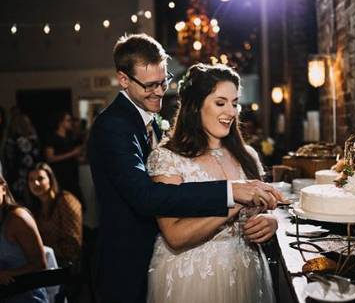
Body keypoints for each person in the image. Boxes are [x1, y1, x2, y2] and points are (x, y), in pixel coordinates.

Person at [87, 33, 282, 303]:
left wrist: (270, 221)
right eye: (150, 85)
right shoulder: (113, 126)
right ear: (123, 79)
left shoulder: (152, 120)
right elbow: (146, 198)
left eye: (163, 81)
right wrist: (231, 195)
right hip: (131, 260)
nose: (160, 91)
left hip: (242, 269)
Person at [146, 63, 277, 303]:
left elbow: (263, 210)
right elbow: (174, 236)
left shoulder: (247, 155)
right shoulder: (168, 159)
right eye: (220, 102)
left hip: (246, 271)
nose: (232, 111)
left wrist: (270, 223)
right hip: (194, 278)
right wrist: (235, 202)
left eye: (235, 103)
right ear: (195, 107)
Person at [0, 174, 48, 303]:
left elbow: (40, 264)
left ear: (3, 189)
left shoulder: (17, 219)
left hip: (27, 296)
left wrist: (8, 273)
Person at [26, 162, 82, 266]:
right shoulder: (35, 209)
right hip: (46, 261)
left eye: (40, 178)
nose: (36, 183)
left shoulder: (65, 200)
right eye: (31, 180)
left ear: (50, 180)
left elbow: (72, 244)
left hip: (67, 264)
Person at [44, 111, 84, 208]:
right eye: (68, 120)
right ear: (60, 122)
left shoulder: (69, 137)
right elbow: (49, 158)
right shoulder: (52, 138)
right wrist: (72, 153)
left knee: (77, 203)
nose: (71, 123)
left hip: (72, 174)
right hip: (60, 175)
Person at [3, 112, 42, 204]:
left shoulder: (10, 140)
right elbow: (35, 158)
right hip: (29, 175)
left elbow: (8, 158)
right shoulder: (31, 140)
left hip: (15, 175)